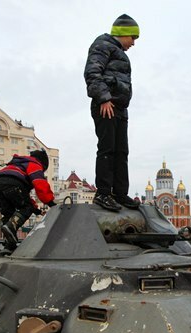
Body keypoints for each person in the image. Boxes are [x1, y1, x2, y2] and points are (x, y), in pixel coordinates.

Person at [84, 14, 140, 212]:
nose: (133, 42)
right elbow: (92, 72)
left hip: (120, 108)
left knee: (121, 151)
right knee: (107, 149)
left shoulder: (120, 53)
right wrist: (104, 98)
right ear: (123, 33)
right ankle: (103, 193)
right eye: (132, 37)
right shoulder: (103, 45)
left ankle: (120, 193)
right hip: (106, 105)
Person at [0, 149, 56, 250]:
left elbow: (25, 196)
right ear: (42, 163)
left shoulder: (18, 164)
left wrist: (37, 210)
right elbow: (40, 184)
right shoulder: (34, 164)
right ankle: (10, 227)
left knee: (9, 214)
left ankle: (10, 244)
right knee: (26, 208)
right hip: (13, 182)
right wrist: (50, 202)